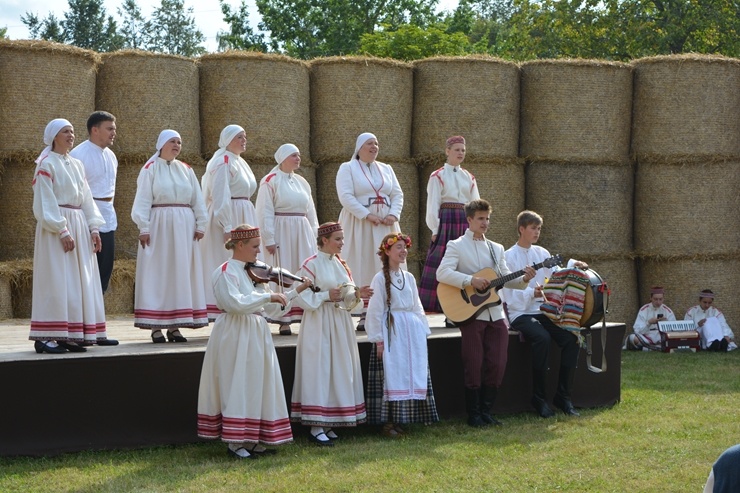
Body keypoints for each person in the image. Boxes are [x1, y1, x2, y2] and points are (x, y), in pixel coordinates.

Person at [197, 225, 313, 459]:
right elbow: (235, 303)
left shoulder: (256, 273)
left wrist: (293, 292)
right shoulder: (225, 271)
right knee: (237, 381)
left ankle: (252, 440)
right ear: (240, 245)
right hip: (235, 330)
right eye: (255, 246)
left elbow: (273, 310)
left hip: (256, 331)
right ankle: (235, 442)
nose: (259, 251)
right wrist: (268, 295)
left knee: (257, 382)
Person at [437, 199, 535, 427]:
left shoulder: (496, 247)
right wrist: (471, 280)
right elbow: (443, 273)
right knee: (473, 362)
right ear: (469, 220)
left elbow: (508, 278)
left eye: (487, 218)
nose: (485, 223)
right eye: (480, 218)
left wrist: (525, 279)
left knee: (498, 362)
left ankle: (486, 411)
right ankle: (474, 414)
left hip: (496, 314)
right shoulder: (456, 245)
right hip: (472, 314)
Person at [29, 118, 111, 354]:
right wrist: (62, 229)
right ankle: (45, 337)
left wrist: (94, 228)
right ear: (54, 136)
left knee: (75, 281)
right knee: (56, 279)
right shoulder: (46, 163)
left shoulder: (75, 164)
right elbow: (45, 201)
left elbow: (86, 197)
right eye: (65, 131)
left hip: (78, 223)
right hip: (57, 228)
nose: (71, 135)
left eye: (72, 131)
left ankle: (68, 335)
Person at [290, 222, 372, 445]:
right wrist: (326, 295)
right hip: (319, 322)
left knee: (339, 368)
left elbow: (346, 296)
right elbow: (300, 296)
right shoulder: (310, 265)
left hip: (339, 323)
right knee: (320, 367)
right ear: (324, 240)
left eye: (342, 239)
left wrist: (357, 293)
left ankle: (331, 421)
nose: (342, 243)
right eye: (338, 239)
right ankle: (316, 425)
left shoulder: (341, 264)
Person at [503, 210, 588, 418]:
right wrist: (533, 292)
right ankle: (539, 399)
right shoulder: (508, 256)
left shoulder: (541, 253)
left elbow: (556, 273)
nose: (537, 232)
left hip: (542, 310)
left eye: (539, 228)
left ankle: (563, 397)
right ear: (521, 229)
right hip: (520, 313)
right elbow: (509, 295)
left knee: (571, 338)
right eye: (533, 228)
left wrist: (572, 265)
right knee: (542, 337)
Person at [131, 129, 208, 343]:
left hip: (184, 227)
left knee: (180, 273)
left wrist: (201, 223)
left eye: (180, 142)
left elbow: (197, 199)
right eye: (172, 141)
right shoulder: (150, 168)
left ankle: (175, 326)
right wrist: (143, 227)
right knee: (159, 272)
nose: (176, 145)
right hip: (160, 225)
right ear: (162, 144)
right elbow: (143, 200)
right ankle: (156, 327)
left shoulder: (186, 169)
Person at [365, 232, 439, 437]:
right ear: (387, 251)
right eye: (398, 247)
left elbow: (417, 306)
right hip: (392, 334)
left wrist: (422, 331)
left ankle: (402, 420)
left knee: (408, 374)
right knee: (391, 374)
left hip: (410, 334)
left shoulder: (409, 277)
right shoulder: (380, 279)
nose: (403, 251)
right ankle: (387, 423)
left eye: (404, 247)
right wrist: (378, 340)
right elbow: (375, 310)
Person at [336, 132, 404, 330]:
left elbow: (397, 193)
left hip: (385, 224)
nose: (374, 147)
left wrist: (394, 214)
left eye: (376, 143)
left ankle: (387, 308)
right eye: (369, 144)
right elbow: (346, 196)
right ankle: (364, 311)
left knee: (386, 262)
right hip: (360, 224)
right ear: (359, 148)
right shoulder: (347, 168)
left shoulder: (387, 169)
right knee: (363, 261)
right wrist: (367, 215)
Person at [255, 143, 318, 335]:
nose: (298, 158)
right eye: (294, 155)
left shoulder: (302, 182)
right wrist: (269, 238)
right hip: (282, 230)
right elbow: (264, 210)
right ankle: (283, 318)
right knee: (283, 273)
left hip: (302, 230)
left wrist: (315, 234)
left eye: (298, 155)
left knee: (302, 269)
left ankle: (304, 313)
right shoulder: (270, 181)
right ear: (283, 158)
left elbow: (311, 211)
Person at [419, 136, 479, 322]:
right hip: (446, 222)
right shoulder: (437, 176)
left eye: (463, 150)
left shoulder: (468, 176)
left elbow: (476, 203)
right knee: (444, 265)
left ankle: (461, 310)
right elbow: (433, 204)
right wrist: (435, 229)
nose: (460, 153)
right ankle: (444, 308)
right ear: (447, 151)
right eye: (457, 150)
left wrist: (476, 227)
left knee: (465, 264)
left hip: (464, 221)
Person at [201, 124, 258, 322]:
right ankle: (223, 305)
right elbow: (220, 194)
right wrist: (226, 225)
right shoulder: (223, 161)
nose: (244, 140)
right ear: (227, 140)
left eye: (245, 136)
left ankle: (245, 301)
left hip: (243, 211)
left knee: (245, 261)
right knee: (225, 259)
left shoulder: (240, 162)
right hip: (230, 215)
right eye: (239, 137)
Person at [69, 111, 119, 308]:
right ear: (95, 130)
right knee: (86, 271)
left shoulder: (112, 156)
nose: (113, 133)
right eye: (109, 128)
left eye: (114, 128)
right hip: (86, 219)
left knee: (104, 269)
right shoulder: (78, 155)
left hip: (108, 217)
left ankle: (97, 320)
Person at [626, 287, 676, 351]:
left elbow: (674, 331)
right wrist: (649, 323)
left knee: (671, 340)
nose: (658, 302)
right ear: (651, 298)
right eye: (655, 299)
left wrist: (665, 324)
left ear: (663, 299)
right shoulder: (644, 310)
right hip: (647, 337)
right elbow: (637, 330)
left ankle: (647, 348)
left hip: (661, 338)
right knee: (631, 338)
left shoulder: (668, 311)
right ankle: (657, 348)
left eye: (660, 299)